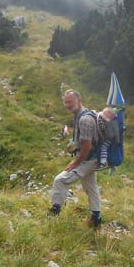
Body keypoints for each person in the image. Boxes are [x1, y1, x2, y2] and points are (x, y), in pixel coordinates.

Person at [49, 89, 102, 228]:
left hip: (88, 159)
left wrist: (75, 163)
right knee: (91, 187)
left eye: (70, 102)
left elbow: (87, 146)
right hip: (93, 158)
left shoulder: (84, 119)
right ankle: (96, 218)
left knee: (60, 180)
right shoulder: (82, 114)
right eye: (65, 102)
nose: (67, 105)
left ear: (79, 101)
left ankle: (54, 213)